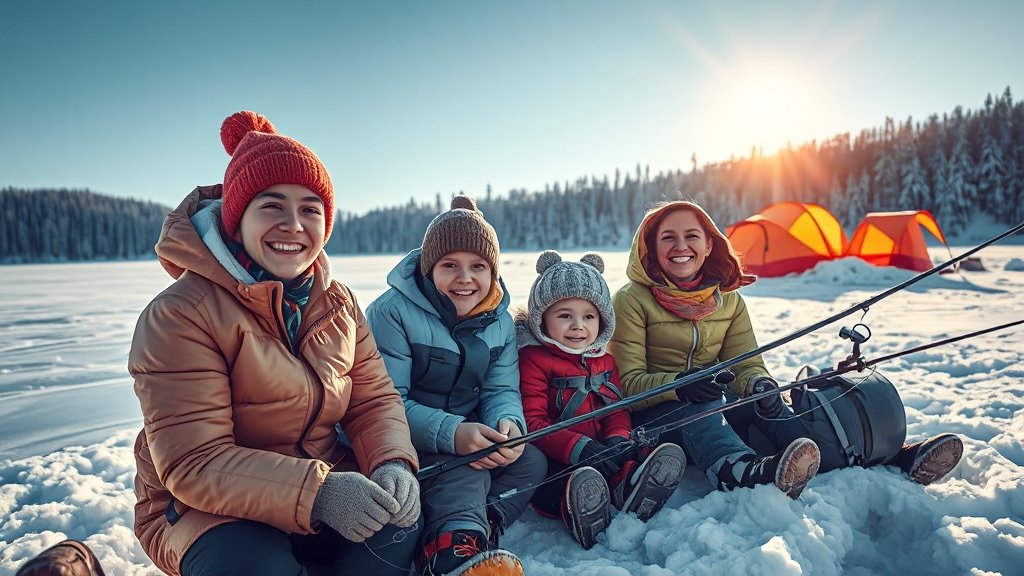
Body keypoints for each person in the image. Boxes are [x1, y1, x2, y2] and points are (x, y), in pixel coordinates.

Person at [14, 110, 424, 576]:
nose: (294, 224)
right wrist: (319, 493)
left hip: (328, 489)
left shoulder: (338, 304)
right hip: (210, 511)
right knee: (252, 566)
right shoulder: (181, 314)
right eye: (272, 206)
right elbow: (194, 461)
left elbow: (373, 401)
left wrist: (392, 462)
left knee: (401, 524)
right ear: (236, 219)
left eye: (310, 209)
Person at [365, 196, 547, 576]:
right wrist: (453, 433)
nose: (465, 278)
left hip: (468, 434)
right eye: (450, 265)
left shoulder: (499, 322)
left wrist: (509, 427)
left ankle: (476, 528)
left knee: (532, 460)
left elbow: (501, 390)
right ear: (429, 268)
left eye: (478, 266)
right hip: (404, 441)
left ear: (492, 272)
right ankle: (449, 555)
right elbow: (385, 403)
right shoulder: (391, 312)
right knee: (466, 470)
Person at [609, 200, 823, 499]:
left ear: (709, 245)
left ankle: (817, 458)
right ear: (651, 247)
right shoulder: (631, 300)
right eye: (668, 237)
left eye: (692, 236)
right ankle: (739, 473)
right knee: (701, 407)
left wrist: (757, 383)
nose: (680, 246)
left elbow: (746, 364)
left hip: (713, 405)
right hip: (652, 421)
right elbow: (625, 385)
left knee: (760, 400)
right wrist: (678, 386)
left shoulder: (729, 300)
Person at [517, 250, 686, 550]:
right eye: (565, 316)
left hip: (602, 449)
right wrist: (578, 448)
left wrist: (617, 439)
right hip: (560, 454)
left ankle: (630, 487)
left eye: (589, 316)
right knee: (556, 478)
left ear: (602, 319)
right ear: (541, 319)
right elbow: (532, 421)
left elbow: (616, 409)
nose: (578, 325)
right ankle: (577, 507)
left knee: (628, 455)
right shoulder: (533, 359)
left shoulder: (604, 360)